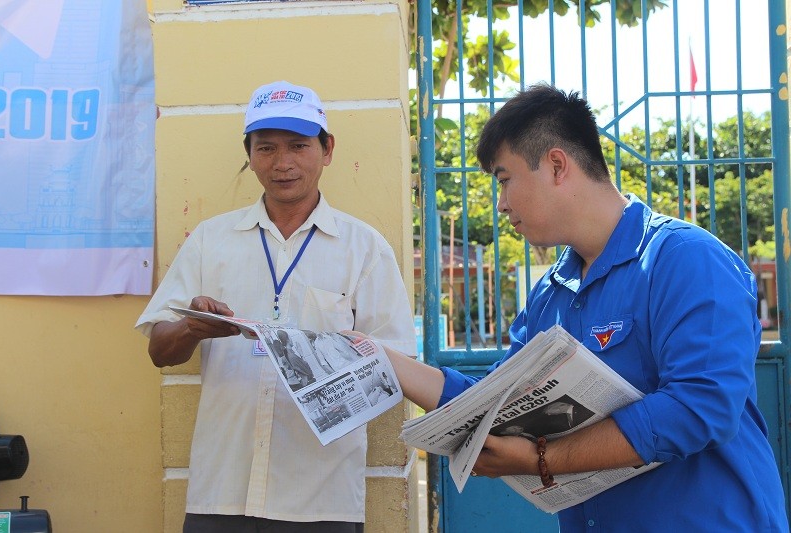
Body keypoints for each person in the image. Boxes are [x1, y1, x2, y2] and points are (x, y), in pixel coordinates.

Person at [371, 84, 789, 531]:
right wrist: (381, 361)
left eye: (505, 178)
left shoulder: (685, 259)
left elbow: (701, 405)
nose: (502, 204)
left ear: (555, 165)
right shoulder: (550, 293)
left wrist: (543, 459)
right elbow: (492, 403)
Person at [135, 80, 416, 533]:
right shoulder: (211, 240)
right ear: (249, 154)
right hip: (221, 491)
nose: (282, 163)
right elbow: (159, 351)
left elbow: (400, 365)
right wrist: (193, 328)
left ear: (327, 150)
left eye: (297, 146)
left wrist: (327, 363)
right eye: (265, 148)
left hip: (322, 495)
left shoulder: (364, 249)